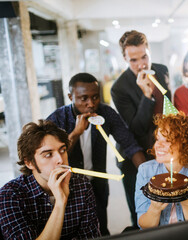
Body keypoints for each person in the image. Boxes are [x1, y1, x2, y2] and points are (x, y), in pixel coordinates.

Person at [47, 72, 145, 235]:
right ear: (70, 96)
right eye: (83, 98)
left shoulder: (106, 113)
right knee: (69, 231)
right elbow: (53, 157)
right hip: (66, 186)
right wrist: (76, 133)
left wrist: (147, 176)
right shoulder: (57, 119)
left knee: (100, 229)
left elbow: (130, 144)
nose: (91, 104)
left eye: (95, 97)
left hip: (97, 183)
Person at [0, 120, 100, 239]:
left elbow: (89, 236)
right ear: (29, 163)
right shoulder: (9, 196)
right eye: (48, 154)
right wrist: (60, 202)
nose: (60, 160)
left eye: (62, 150)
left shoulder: (82, 184)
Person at [111, 30, 171, 226]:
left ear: (149, 51)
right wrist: (146, 97)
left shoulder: (161, 71)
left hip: (163, 152)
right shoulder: (119, 88)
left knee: (168, 209)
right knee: (142, 213)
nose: (141, 64)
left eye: (144, 56)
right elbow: (135, 129)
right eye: (133, 60)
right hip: (135, 159)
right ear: (125, 59)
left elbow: (168, 108)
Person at [135, 113, 188, 228]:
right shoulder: (145, 171)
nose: (158, 145)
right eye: (157, 139)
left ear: (186, 144)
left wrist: (186, 201)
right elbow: (144, 225)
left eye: (167, 140)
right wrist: (154, 209)